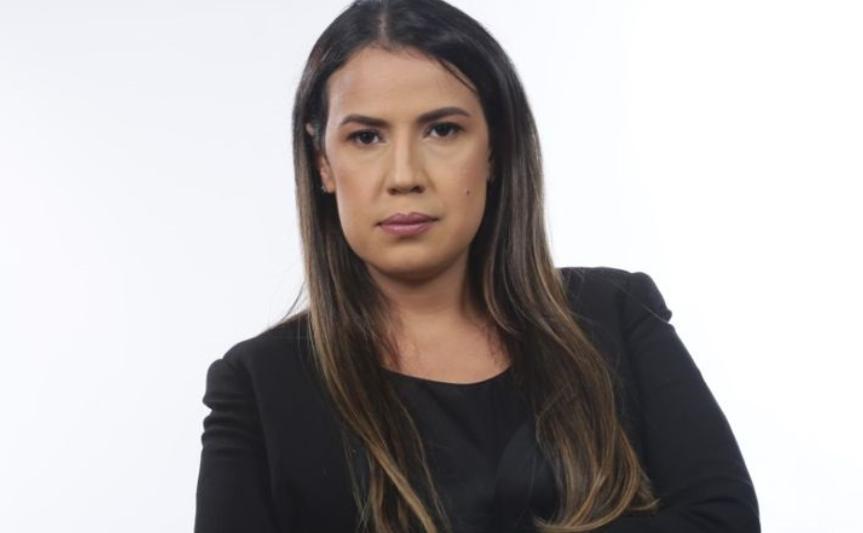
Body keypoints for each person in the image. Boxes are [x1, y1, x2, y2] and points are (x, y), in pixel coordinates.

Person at [194, 0, 760, 532]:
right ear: (323, 163)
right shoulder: (258, 387)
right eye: (366, 137)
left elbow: (724, 521)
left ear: (494, 149)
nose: (404, 176)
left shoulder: (616, 316)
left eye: (442, 130)